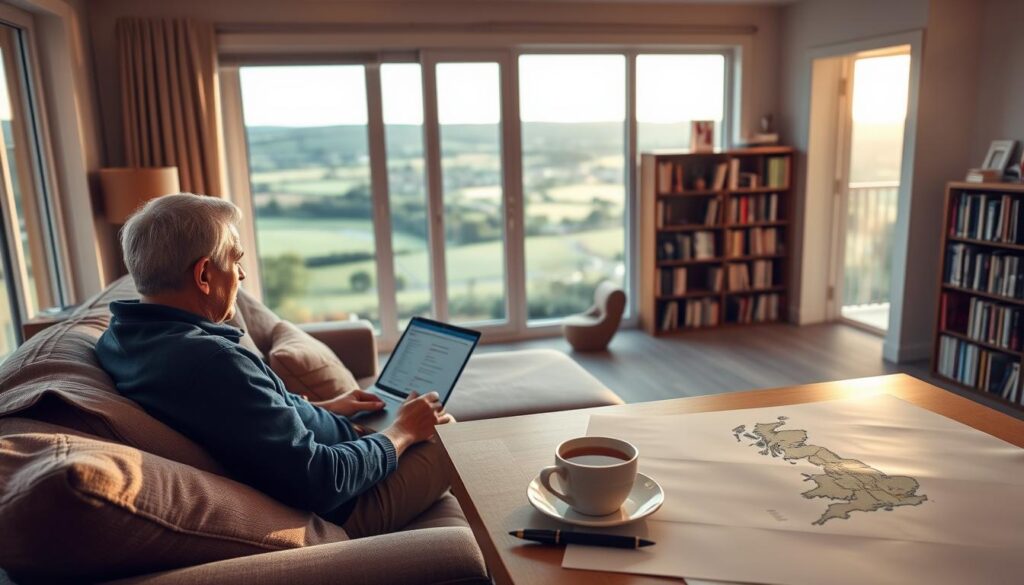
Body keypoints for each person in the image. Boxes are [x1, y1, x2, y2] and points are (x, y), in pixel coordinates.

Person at [95, 193, 451, 537]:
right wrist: (402, 431)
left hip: (340, 449)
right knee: (449, 431)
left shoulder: (121, 336)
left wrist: (330, 410)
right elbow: (323, 481)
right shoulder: (213, 362)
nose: (242, 274)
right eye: (235, 260)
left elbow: (241, 418)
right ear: (204, 275)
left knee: (413, 417)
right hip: (348, 503)